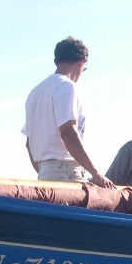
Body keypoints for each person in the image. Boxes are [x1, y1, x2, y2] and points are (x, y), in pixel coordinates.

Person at [22, 36, 114, 188]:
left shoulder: (34, 93)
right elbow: (68, 133)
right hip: (66, 173)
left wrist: (44, 172)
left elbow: (28, 144)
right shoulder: (67, 86)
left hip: (44, 173)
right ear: (81, 61)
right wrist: (95, 173)